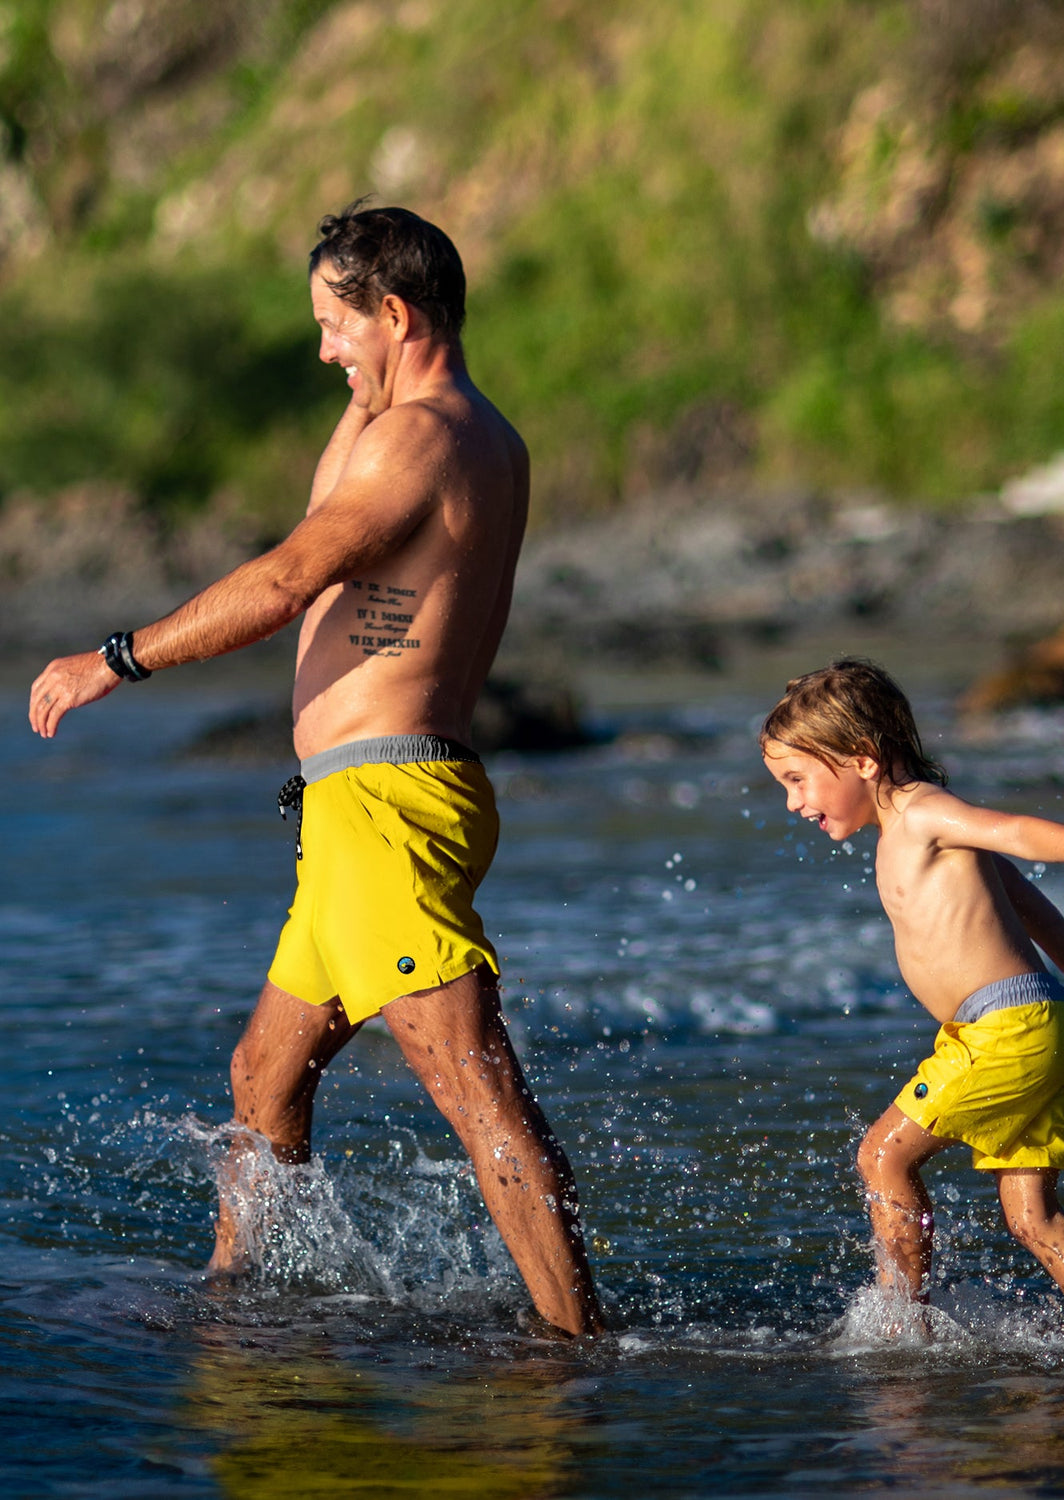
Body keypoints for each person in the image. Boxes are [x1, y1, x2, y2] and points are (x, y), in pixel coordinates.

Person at [29, 202, 604, 1338]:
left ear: (395, 314)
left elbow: (292, 577)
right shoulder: (439, 426)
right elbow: (335, 495)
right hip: (360, 807)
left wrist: (117, 658)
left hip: (386, 805)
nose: (325, 351)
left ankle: (582, 1353)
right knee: (264, 1077)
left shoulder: (424, 439)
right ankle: (241, 1308)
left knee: (472, 1084)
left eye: (337, 326)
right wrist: (364, 385)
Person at [759, 658, 1064, 1337]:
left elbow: (1012, 833)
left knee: (881, 1156)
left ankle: (898, 1324)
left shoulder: (922, 813)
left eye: (798, 779)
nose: (794, 801)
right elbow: (1016, 890)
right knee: (1032, 1217)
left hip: (1008, 1031)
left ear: (861, 760)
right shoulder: (912, 831)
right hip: (1037, 1024)